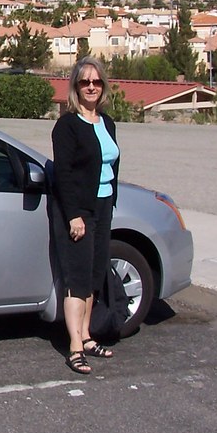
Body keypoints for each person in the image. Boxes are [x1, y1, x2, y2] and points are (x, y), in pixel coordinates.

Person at [51, 56, 120, 375]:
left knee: (94, 276)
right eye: (84, 82)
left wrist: (111, 202)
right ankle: (75, 347)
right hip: (79, 210)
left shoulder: (106, 123)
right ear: (75, 87)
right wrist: (74, 215)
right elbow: (63, 173)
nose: (91, 87)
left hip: (103, 206)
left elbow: (110, 166)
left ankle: (88, 336)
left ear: (102, 85)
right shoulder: (67, 125)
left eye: (96, 82)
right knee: (76, 281)